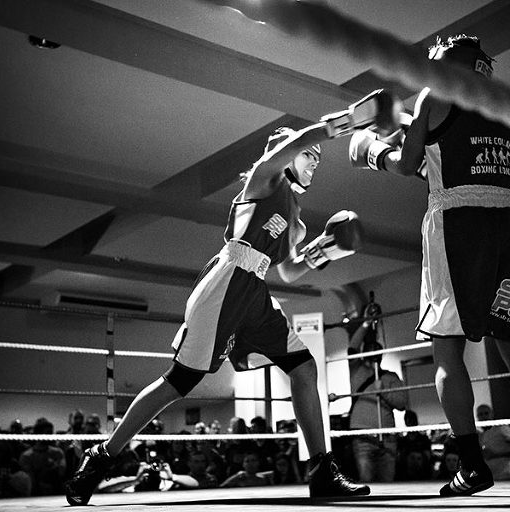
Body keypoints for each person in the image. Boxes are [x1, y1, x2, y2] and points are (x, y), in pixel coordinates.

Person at [64, 93, 402, 505]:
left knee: (302, 366)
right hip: (226, 283)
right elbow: (291, 146)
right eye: (309, 154)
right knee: (178, 383)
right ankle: (100, 457)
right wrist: (344, 122)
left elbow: (288, 271)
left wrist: (324, 250)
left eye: (317, 156)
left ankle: (321, 470)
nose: (315, 161)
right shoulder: (264, 179)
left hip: (255, 292)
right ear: (287, 155)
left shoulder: (295, 217)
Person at [349, 34, 510, 497]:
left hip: (459, 226)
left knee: (447, 349)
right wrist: (403, 126)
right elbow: (452, 156)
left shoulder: (433, 94)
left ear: (444, 64)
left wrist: (372, 150)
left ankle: (471, 464)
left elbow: (409, 166)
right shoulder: (503, 105)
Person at [347, 301, 409, 482]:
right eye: (370, 350)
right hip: (362, 436)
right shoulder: (356, 370)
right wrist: (366, 322)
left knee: (388, 482)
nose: (374, 353)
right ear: (364, 353)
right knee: (366, 481)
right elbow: (352, 347)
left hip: (387, 437)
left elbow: (402, 404)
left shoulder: (390, 376)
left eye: (377, 351)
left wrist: (384, 392)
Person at [475, 404, 510, 481]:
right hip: (489, 476)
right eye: (480, 414)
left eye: (486, 413)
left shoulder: (502, 428)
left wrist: (495, 454)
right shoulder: (479, 434)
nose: (484, 417)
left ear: (492, 414)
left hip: (505, 474)